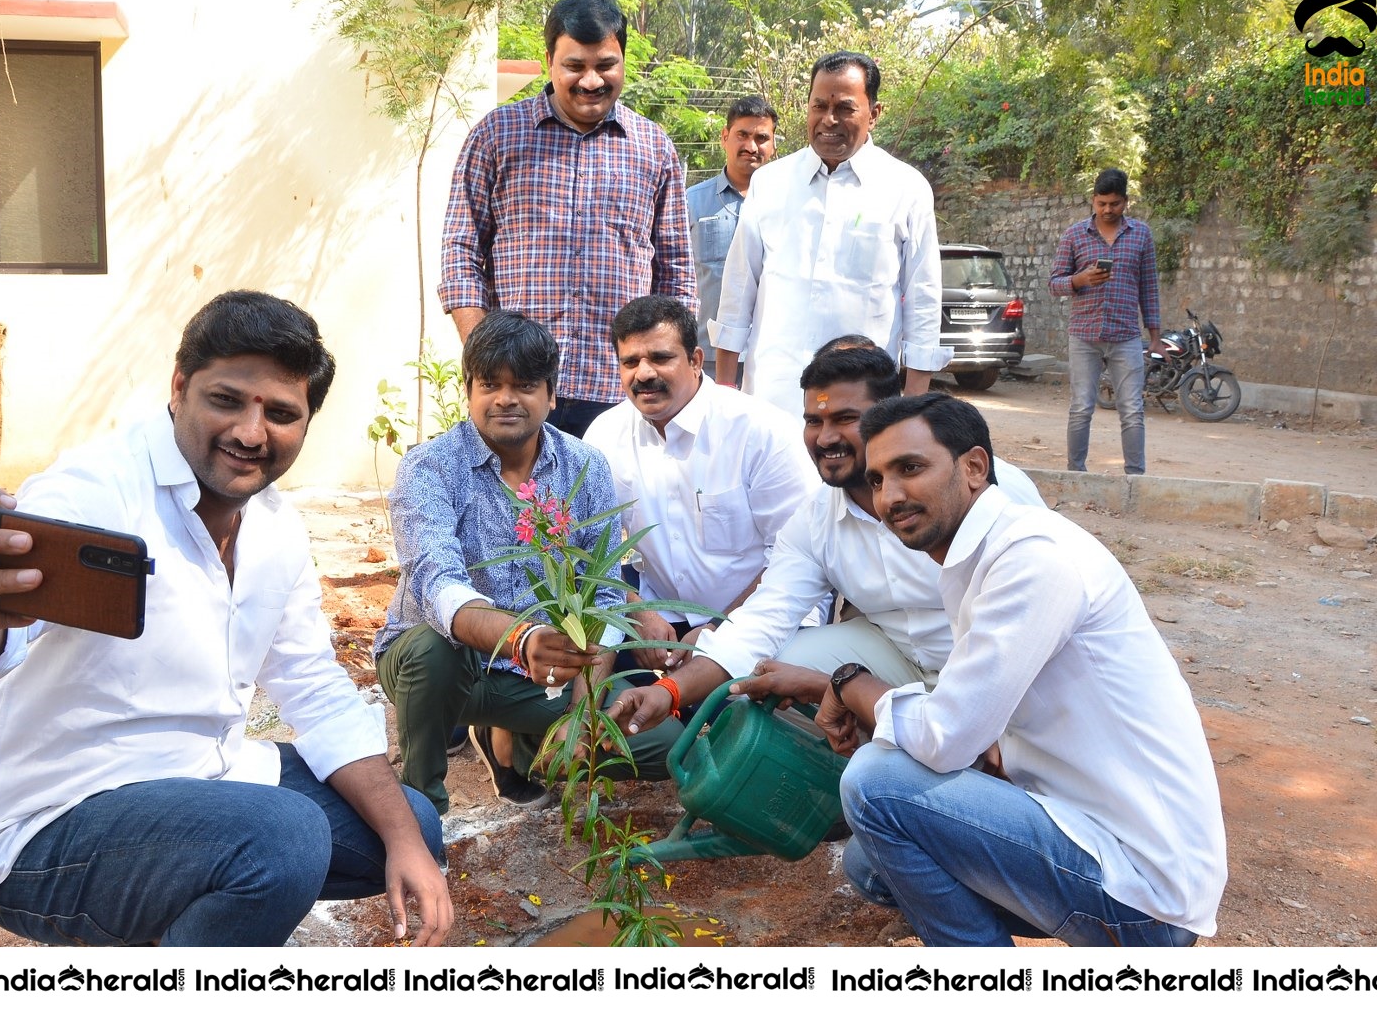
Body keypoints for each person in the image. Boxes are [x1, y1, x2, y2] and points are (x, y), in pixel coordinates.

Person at [0, 290, 451, 947]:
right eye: (227, 400)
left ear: (305, 424)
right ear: (180, 387)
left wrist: (406, 846)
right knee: (282, 840)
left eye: (280, 413)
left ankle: (176, 921)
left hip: (196, 777)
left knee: (410, 821)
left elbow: (315, 687)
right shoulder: (93, 493)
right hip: (42, 821)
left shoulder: (275, 528)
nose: (251, 432)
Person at [821, 392, 1226, 946]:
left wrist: (851, 684)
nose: (890, 496)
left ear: (973, 468)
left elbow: (945, 738)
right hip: (1089, 838)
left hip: (1144, 888)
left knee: (875, 783)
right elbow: (974, 730)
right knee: (870, 861)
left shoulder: (1033, 556)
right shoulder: (980, 556)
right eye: (877, 479)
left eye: (910, 469)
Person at [605, 345, 1043, 738]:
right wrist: (669, 692)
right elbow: (762, 622)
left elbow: (1037, 617)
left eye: (846, 419)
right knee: (753, 678)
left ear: (889, 415)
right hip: (897, 656)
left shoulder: (972, 481)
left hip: (997, 668)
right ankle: (838, 781)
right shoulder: (816, 518)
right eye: (814, 421)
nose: (826, 437)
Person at [375, 311, 682, 813]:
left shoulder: (584, 464)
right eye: (489, 384)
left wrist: (582, 713)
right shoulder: (428, 467)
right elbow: (438, 585)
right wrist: (520, 639)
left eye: (524, 385)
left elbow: (603, 591)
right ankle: (421, 803)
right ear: (469, 391)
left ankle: (517, 746)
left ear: (551, 395)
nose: (505, 399)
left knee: (657, 746)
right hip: (453, 668)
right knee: (434, 651)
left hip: (549, 670)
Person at [439, 0, 695, 438]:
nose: (592, 81)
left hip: (621, 390)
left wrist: (664, 371)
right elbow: (460, 253)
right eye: (575, 66)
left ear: (623, 61)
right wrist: (485, 355)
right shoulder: (497, 137)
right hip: (518, 388)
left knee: (616, 508)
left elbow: (675, 274)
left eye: (606, 65)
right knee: (514, 507)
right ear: (549, 61)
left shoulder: (655, 148)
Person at [710, 51, 948, 416]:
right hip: (773, 398)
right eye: (819, 106)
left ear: (875, 113)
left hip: (864, 407)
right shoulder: (770, 184)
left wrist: (910, 410)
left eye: (846, 109)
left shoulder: (906, 189)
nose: (829, 120)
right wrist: (724, 396)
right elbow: (738, 293)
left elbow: (923, 304)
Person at [583, 295, 815, 664]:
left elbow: (796, 559)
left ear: (694, 361)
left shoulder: (762, 432)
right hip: (658, 618)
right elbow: (589, 548)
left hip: (763, 616)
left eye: (660, 358)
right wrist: (640, 613)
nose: (643, 374)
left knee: (743, 714)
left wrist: (718, 631)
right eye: (630, 362)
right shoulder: (605, 434)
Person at [1049, 167, 1161, 475]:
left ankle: (1135, 477)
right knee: (1081, 408)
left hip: (1125, 336)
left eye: (1114, 204)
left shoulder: (1141, 234)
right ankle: (1075, 474)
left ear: (1126, 201)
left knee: (1132, 410)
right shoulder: (1074, 234)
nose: (1107, 210)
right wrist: (1080, 279)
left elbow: (1149, 288)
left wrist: (1155, 337)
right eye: (1101, 204)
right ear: (1093, 201)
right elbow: (1054, 283)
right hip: (1084, 335)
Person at [684, 96, 778, 382]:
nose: (751, 146)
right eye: (742, 135)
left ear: (773, 146)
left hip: (769, 356)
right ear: (725, 137)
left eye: (762, 138)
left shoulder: (787, 205)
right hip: (706, 356)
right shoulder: (692, 202)